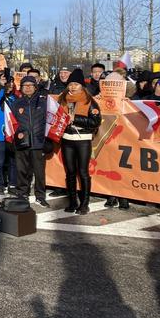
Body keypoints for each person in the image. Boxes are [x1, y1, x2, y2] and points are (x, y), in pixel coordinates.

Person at [58, 68, 101, 215]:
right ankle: (72, 202)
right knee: (70, 172)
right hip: (67, 139)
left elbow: (95, 121)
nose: (72, 87)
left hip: (82, 139)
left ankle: (84, 203)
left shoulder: (89, 101)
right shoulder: (62, 99)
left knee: (82, 172)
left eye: (76, 84)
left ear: (82, 85)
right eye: (70, 84)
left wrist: (75, 119)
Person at [12, 76, 50, 207]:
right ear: (21, 88)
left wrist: (48, 140)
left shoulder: (44, 102)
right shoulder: (16, 103)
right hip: (22, 142)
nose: (27, 87)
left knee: (39, 172)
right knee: (22, 170)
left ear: (35, 87)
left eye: (30, 85)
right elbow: (11, 123)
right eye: (25, 85)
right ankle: (22, 193)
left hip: (38, 142)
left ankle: (40, 196)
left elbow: (50, 121)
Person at [0, 72, 17, 196]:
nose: (8, 84)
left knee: (13, 161)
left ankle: (12, 184)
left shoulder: (16, 98)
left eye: (10, 82)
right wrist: (1, 89)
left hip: (13, 134)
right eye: (5, 81)